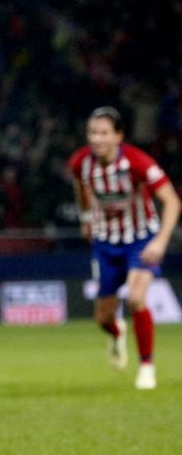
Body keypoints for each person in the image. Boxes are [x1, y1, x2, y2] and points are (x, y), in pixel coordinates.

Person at [69, 106, 179, 390]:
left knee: (136, 298)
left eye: (104, 133)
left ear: (119, 136)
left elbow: (172, 201)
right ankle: (117, 333)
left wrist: (160, 241)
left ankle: (146, 366)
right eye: (93, 132)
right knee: (103, 317)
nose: (97, 139)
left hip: (140, 239)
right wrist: (86, 219)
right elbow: (80, 187)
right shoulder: (81, 162)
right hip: (105, 243)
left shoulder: (138, 163)